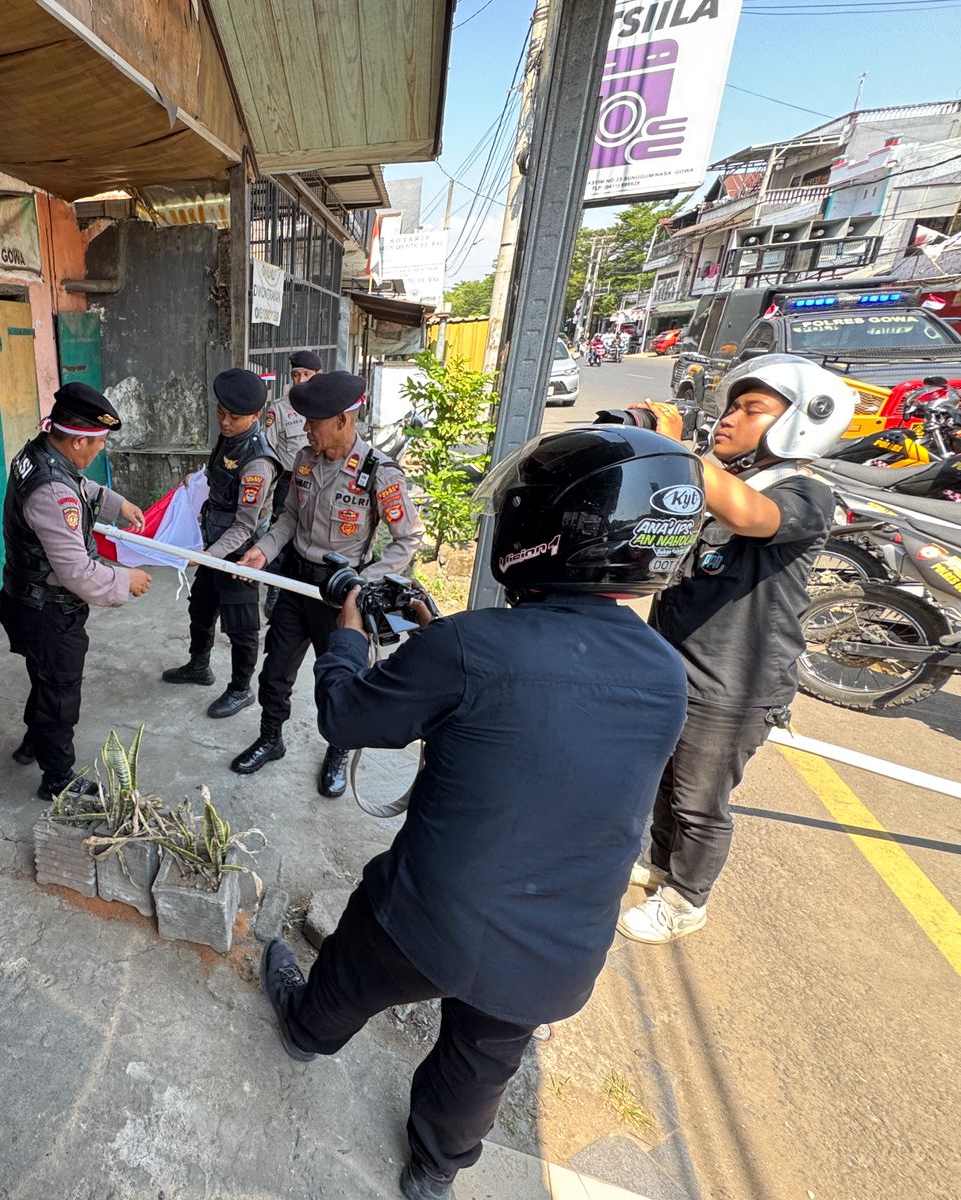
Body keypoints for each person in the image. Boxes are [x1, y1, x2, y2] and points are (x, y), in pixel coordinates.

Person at [258, 426, 703, 1200]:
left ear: (543, 529)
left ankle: (305, 1031)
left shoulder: (470, 649)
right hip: (558, 946)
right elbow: (544, 717)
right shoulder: (666, 672)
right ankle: (433, 1172)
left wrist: (350, 635)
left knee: (354, 967)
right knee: (482, 1061)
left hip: (432, 917)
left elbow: (348, 717)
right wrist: (441, 639)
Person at [617, 354, 856, 944]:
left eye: (751, 409)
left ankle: (686, 900)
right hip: (678, 666)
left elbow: (753, 518)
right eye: (729, 407)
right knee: (666, 782)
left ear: (801, 422)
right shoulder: (733, 480)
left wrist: (678, 450)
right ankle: (662, 864)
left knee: (700, 801)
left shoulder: (805, 494)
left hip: (734, 685)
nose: (728, 418)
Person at [229, 371, 424, 797]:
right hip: (295, 583)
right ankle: (271, 738)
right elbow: (289, 519)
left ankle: (338, 750)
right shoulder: (304, 460)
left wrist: (362, 583)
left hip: (342, 599)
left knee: (341, 681)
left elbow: (408, 538)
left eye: (313, 421)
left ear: (342, 420)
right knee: (275, 671)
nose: (306, 429)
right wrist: (262, 550)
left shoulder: (378, 472)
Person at [0, 382, 150, 800]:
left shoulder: (38, 453)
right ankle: (57, 777)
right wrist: (125, 580)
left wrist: (116, 503)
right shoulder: (52, 492)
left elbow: (76, 485)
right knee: (60, 693)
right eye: (99, 443)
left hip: (25, 599)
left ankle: (33, 742)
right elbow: (78, 572)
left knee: (43, 678)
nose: (100, 451)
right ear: (78, 440)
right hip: (49, 611)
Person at [160, 369, 279, 718]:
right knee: (200, 608)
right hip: (213, 544)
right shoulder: (230, 439)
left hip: (240, 554)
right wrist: (198, 479)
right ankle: (199, 666)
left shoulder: (257, 462)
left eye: (234, 417)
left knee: (241, 626)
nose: (225, 422)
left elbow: (245, 525)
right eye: (220, 412)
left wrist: (207, 555)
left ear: (256, 415)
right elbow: (221, 480)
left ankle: (241, 690)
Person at [261, 351, 319, 616]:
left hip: (321, 480)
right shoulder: (280, 409)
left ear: (318, 376)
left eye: (307, 374)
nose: (301, 380)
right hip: (289, 480)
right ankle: (275, 588)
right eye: (296, 375)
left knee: (314, 532)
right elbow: (268, 449)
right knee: (281, 532)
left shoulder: (327, 408)